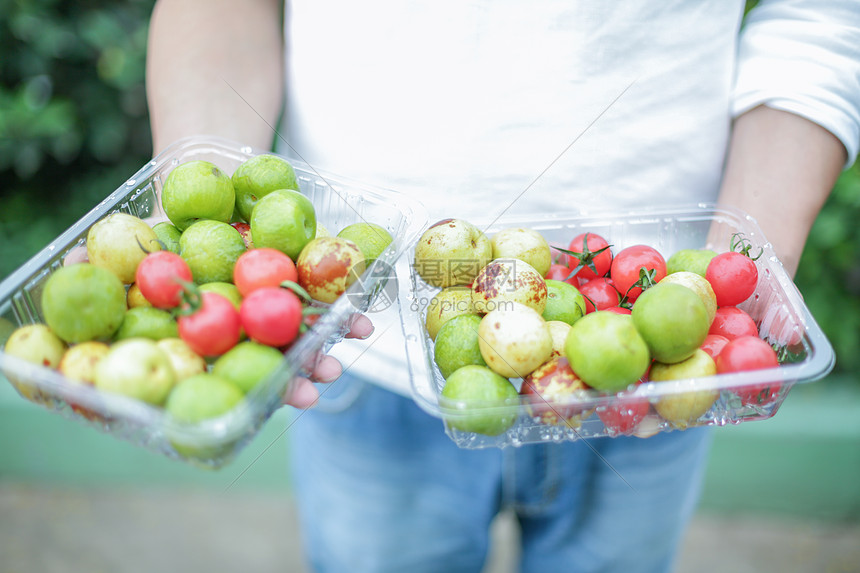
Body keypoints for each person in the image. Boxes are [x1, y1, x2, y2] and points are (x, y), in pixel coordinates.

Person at [146, 1, 860, 572]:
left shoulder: (669, 327)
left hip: (656, 364)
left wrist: (752, 252)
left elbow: (825, 12)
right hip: (361, 343)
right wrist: (192, 217)